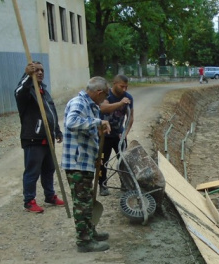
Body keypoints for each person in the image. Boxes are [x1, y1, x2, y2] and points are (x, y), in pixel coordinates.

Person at [62, 77, 113, 253]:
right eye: (105, 96)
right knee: (82, 203)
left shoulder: (89, 106)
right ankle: (84, 241)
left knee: (87, 200)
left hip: (85, 161)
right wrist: (98, 122)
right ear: (99, 92)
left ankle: (90, 232)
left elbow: (87, 131)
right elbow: (71, 122)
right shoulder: (79, 103)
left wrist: (96, 156)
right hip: (77, 163)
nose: (104, 100)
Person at [14, 61, 65, 213]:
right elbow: (18, 92)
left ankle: (50, 196)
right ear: (30, 72)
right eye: (36, 70)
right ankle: (29, 200)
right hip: (33, 139)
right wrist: (28, 77)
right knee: (32, 171)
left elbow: (52, 113)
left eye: (42, 70)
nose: (40, 72)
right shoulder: (26, 92)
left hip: (48, 138)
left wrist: (57, 130)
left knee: (49, 169)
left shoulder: (44, 91)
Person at [98, 74, 134, 196]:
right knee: (103, 161)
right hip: (104, 135)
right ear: (114, 84)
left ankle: (125, 184)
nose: (124, 90)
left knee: (124, 161)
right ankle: (102, 185)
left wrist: (125, 133)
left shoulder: (128, 97)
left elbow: (131, 118)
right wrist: (120, 103)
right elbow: (103, 108)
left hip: (119, 135)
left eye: (126, 87)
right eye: (122, 86)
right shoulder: (107, 95)